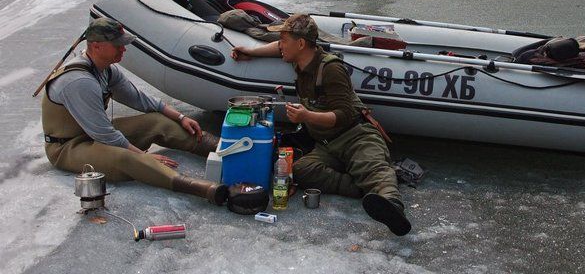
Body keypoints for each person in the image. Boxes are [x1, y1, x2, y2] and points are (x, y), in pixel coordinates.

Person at [232, 14, 411, 236]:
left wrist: (307, 116)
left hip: (355, 135)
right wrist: (249, 51)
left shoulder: (330, 69)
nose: (281, 46)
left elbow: (345, 115)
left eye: (285, 40)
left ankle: (392, 206)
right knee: (300, 170)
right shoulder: (300, 59)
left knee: (375, 169)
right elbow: (277, 47)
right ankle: (363, 189)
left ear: (300, 43)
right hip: (327, 144)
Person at [41, 17, 227, 205]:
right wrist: (143, 156)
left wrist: (180, 117)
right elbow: (105, 135)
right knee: (125, 156)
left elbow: (140, 100)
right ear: (96, 47)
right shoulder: (79, 81)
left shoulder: (105, 70)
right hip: (68, 147)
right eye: (118, 45)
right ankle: (205, 189)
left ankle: (224, 148)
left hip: (92, 135)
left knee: (156, 121)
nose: (123, 49)